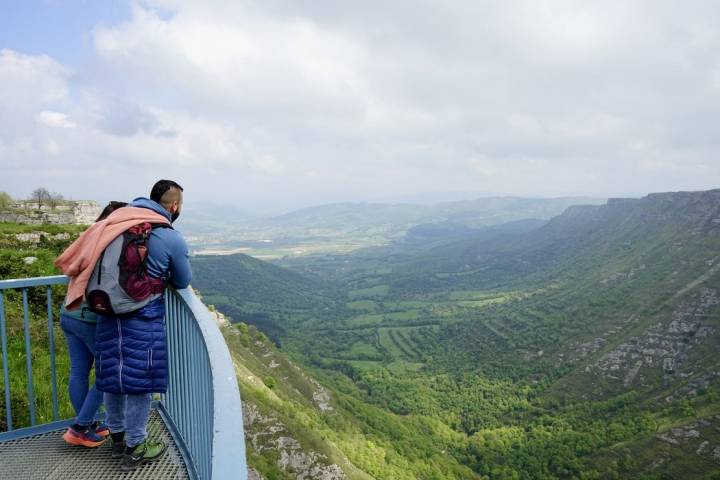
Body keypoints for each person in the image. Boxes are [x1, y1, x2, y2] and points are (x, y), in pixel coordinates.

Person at [94, 180, 191, 471]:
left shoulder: (118, 222)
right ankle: (136, 446)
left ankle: (117, 437)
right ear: (174, 205)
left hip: (107, 309)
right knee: (140, 381)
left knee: (113, 375)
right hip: (142, 313)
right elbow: (183, 280)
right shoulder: (166, 234)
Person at [61, 201, 128, 448]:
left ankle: (86, 425)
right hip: (90, 319)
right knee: (108, 373)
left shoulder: (89, 237)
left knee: (79, 372)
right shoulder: (111, 244)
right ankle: (80, 427)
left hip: (69, 313)